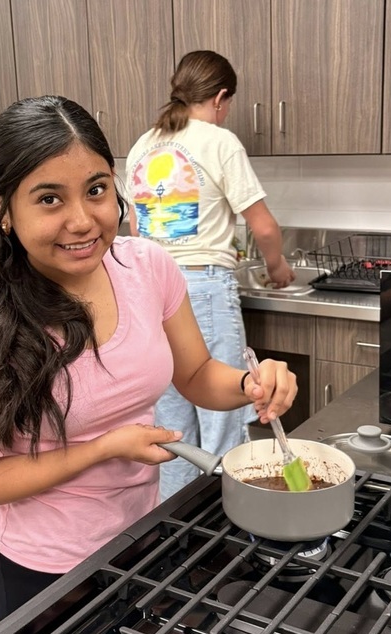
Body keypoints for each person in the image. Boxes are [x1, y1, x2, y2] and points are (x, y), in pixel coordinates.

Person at [0, 95, 298, 623]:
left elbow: (194, 375)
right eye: (50, 199)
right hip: (46, 567)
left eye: (97, 190)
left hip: (143, 534)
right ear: (0, 209)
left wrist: (251, 383)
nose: (83, 221)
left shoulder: (147, 268)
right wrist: (103, 449)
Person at [125, 50, 295, 501]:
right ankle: (221, 531)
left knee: (172, 429)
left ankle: (173, 540)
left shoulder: (143, 146)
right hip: (202, 288)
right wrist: (278, 268)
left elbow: (134, 231)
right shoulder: (219, 142)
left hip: (149, 290)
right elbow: (262, 226)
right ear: (221, 98)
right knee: (223, 420)